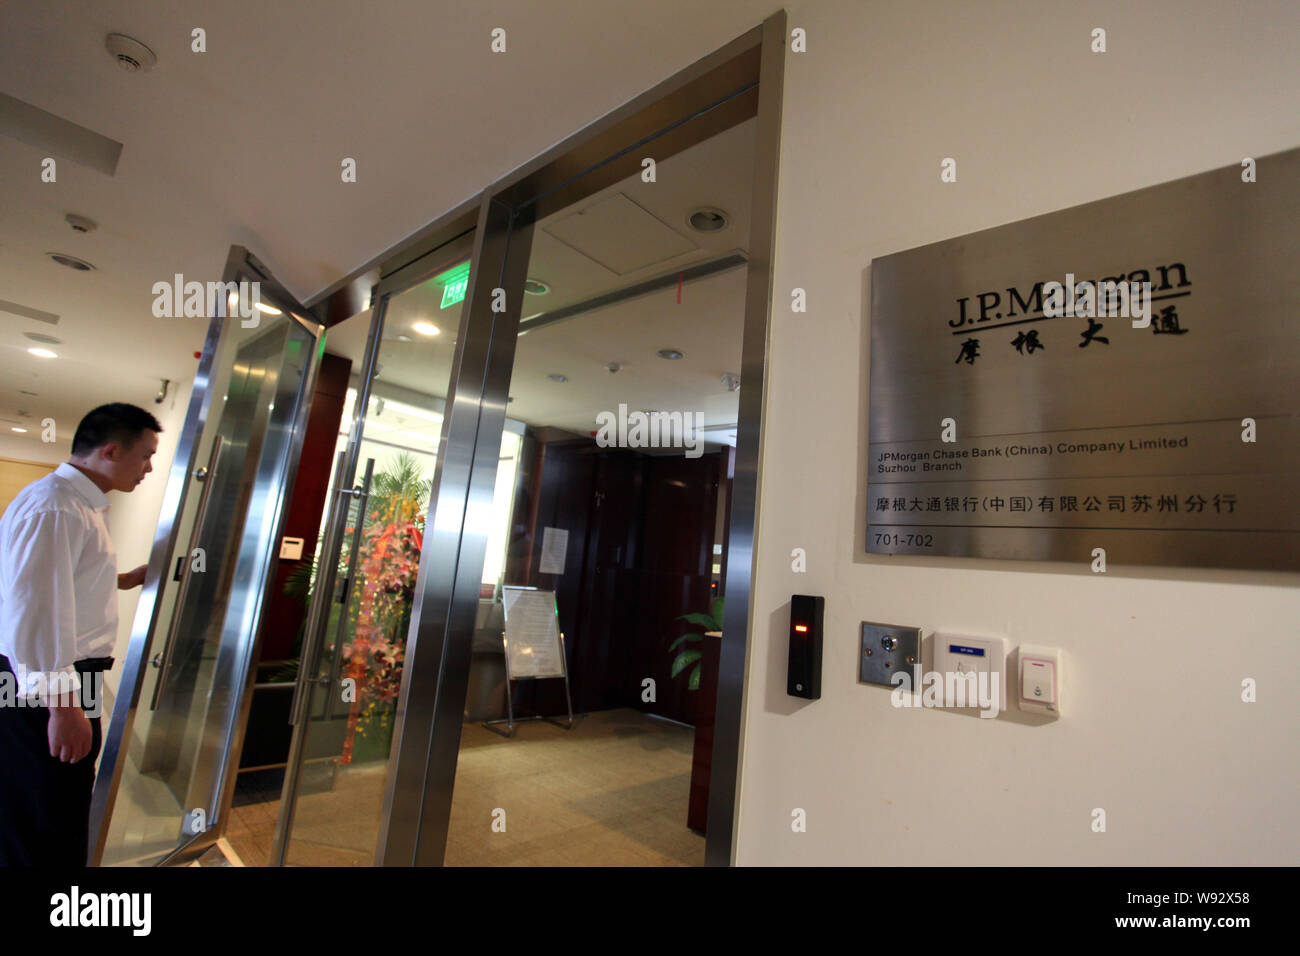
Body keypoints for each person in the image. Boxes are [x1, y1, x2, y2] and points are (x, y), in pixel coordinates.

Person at [0, 402, 161, 866]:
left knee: (55, 801)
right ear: (111, 450)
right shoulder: (58, 508)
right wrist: (63, 706)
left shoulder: (73, 504)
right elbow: (36, 612)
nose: (148, 468)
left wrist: (120, 579)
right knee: (45, 806)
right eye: (145, 456)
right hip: (51, 684)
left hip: (63, 679)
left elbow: (51, 580)